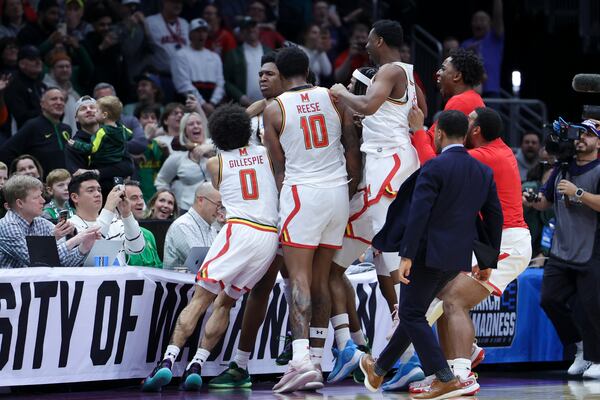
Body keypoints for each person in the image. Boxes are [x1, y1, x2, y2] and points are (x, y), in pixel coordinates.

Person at [359, 110, 503, 399]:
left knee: (411, 314)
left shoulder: (434, 167)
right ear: (465, 136)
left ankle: (445, 377)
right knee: (417, 311)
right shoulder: (482, 171)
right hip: (456, 258)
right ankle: (379, 369)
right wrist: (488, 262)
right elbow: (494, 216)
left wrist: (407, 255)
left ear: (438, 134)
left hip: (426, 255)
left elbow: (418, 214)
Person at [142, 103, 279, 392]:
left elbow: (231, 128)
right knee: (227, 302)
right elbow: (246, 119)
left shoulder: (216, 163)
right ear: (246, 129)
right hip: (268, 238)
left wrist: (236, 117)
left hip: (239, 229)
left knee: (201, 298)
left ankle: (168, 361)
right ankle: (197, 364)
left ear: (216, 134)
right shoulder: (266, 153)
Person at [407, 106, 532, 392]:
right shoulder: (496, 151)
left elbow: (434, 166)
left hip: (507, 242)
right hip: (495, 240)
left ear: (475, 131)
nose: (465, 122)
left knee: (453, 300)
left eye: (470, 120)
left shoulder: (485, 156)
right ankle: (452, 367)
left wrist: (417, 131)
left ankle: (462, 372)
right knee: (442, 295)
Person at [263, 46, 361, 392]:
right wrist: (347, 193)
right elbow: (352, 150)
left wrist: (283, 206)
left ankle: (300, 359)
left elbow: (279, 167)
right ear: (307, 68)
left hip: (303, 193)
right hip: (338, 193)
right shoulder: (335, 97)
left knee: (299, 280)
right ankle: (318, 361)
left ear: (280, 71)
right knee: (321, 279)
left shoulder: (274, 109)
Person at [329, 19, 426, 325]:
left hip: (390, 159)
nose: (367, 46)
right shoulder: (409, 74)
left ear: (381, 41)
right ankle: (400, 316)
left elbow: (369, 106)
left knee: (392, 239)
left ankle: (410, 320)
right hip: (393, 157)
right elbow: (419, 111)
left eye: (370, 41)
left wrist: (342, 92)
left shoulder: (390, 70)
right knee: (381, 243)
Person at [209, 52, 286, 389]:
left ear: (286, 77)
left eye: (270, 74)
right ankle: (241, 363)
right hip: (265, 211)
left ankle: (305, 349)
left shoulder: (291, 109)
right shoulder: (255, 117)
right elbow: (233, 121)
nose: (262, 79)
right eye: (261, 74)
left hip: (294, 203)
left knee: (306, 281)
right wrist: (256, 108)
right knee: (261, 289)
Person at [527, 119, 600, 380]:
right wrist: (532, 200)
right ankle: (580, 347)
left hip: (591, 248)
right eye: (579, 134)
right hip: (560, 249)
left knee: (592, 306)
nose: (581, 139)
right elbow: (546, 202)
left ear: (599, 143)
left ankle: (598, 358)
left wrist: (578, 192)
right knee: (549, 299)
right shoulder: (561, 168)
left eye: (589, 135)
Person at [0, 175, 100, 269]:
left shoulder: (42, 223)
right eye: (36, 197)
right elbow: (36, 261)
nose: (43, 201)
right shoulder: (7, 225)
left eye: (41, 196)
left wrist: (83, 248)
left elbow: (62, 264)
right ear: (20, 203)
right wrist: (76, 239)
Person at [411, 47, 486, 165]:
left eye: (443, 69)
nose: (437, 73)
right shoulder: (471, 98)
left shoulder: (462, 101)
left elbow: (433, 146)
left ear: (457, 76)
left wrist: (416, 128)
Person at [68, 171, 146, 261]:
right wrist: (108, 208)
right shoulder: (69, 226)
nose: (97, 194)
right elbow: (91, 256)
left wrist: (127, 215)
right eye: (91, 190)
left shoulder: (116, 222)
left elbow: (137, 248)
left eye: (99, 190)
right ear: (75, 197)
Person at [0, 88, 70, 179]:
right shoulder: (33, 126)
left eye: (62, 99)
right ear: (42, 104)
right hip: (40, 186)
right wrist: (19, 176)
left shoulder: (67, 129)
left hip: (64, 184)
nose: (59, 102)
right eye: (54, 99)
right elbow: (6, 152)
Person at [154, 111, 212, 211]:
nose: (195, 126)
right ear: (184, 130)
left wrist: (209, 148)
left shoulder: (215, 145)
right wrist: (169, 201)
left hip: (216, 207)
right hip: (187, 209)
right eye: (191, 124)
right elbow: (161, 181)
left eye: (198, 123)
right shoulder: (178, 156)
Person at [67, 95, 134, 179]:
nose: (89, 110)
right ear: (76, 118)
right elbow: (79, 175)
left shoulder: (114, 134)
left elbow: (128, 167)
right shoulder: (74, 144)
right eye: (83, 109)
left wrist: (96, 172)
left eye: (93, 107)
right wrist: (114, 170)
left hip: (118, 189)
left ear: (103, 114)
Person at [170, 18, 224, 116]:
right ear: (190, 34)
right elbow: (183, 85)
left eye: (204, 31)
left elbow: (220, 83)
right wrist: (203, 104)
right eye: (198, 31)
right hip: (188, 104)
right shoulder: (180, 55)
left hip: (212, 106)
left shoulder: (215, 57)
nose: (201, 34)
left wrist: (212, 103)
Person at [162, 182, 219, 270]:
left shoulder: (212, 228)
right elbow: (203, 264)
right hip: (182, 282)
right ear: (201, 200)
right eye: (218, 205)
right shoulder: (182, 226)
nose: (219, 210)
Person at [145, 0, 189, 100]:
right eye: (174, 2)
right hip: (162, 76)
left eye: (180, 2)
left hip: (184, 77)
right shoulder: (150, 21)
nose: (177, 4)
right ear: (164, 2)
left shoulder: (185, 23)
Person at [223, 17, 271, 106]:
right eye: (246, 28)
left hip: (269, 103)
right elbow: (226, 82)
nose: (251, 30)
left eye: (253, 27)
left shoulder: (269, 52)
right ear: (241, 32)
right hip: (244, 106)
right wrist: (240, 97)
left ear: (258, 29)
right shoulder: (233, 54)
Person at [461, 0, 504, 97]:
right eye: (475, 20)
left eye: (482, 20)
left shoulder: (495, 40)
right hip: (470, 91)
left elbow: (498, 17)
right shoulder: (465, 44)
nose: (478, 23)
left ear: (490, 24)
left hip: (491, 91)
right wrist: (467, 52)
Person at [92, 82, 148, 157]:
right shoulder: (93, 124)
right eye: (103, 99)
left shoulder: (130, 121)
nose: (107, 103)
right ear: (95, 103)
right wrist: (130, 155)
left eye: (110, 98)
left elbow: (141, 144)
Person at [4, 44, 46, 129]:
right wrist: (47, 111)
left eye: (39, 59)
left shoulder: (41, 85)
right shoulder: (13, 85)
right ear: (22, 64)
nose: (38, 62)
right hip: (20, 135)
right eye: (32, 59)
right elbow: (21, 116)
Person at [123, 179, 162, 268]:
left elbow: (159, 267)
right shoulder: (115, 233)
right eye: (134, 198)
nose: (140, 202)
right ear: (120, 202)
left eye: (141, 197)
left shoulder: (148, 234)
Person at [42, 51, 80, 132]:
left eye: (67, 66)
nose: (65, 69)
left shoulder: (74, 93)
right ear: (52, 69)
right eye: (61, 67)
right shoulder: (44, 89)